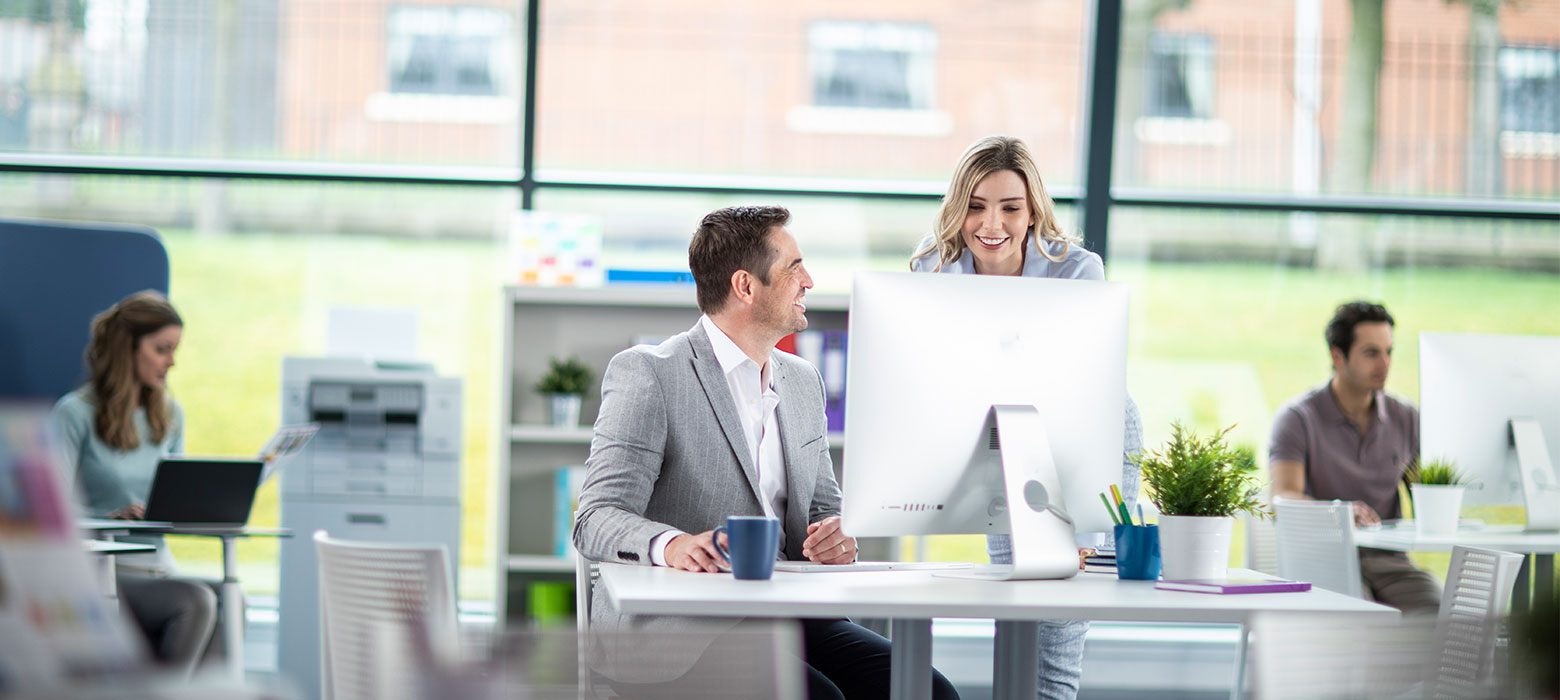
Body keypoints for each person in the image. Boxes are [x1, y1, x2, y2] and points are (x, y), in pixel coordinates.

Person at [574, 205, 960, 700]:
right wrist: (672, 545)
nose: (810, 281)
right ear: (745, 286)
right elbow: (597, 516)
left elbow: (824, 506)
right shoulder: (652, 374)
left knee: (926, 691)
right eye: (795, 267)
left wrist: (838, 534)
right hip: (681, 630)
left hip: (788, 612)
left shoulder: (802, 381)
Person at [910, 135, 1145, 700]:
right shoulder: (932, 266)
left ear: (1033, 211)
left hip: (1075, 445)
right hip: (989, 440)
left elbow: (1079, 384)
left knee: (1056, 636)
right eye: (975, 205)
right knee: (1017, 620)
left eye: (1010, 207)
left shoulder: (1076, 270)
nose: (992, 223)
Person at [49, 290, 219, 673]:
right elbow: (50, 517)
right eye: (162, 349)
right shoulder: (74, 414)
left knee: (232, 600)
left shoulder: (171, 415)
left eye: (175, 350)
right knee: (197, 601)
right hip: (104, 574)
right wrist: (109, 517)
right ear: (129, 348)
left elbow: (179, 494)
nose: (171, 362)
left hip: (161, 568)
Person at [1268, 301, 1441, 614]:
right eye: (1371, 353)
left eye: (1389, 351)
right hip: (1323, 558)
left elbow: (1426, 495)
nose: (1385, 363)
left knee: (1444, 614)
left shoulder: (1406, 418)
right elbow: (1283, 494)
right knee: (1362, 618)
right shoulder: (1297, 418)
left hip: (1388, 560)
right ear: (1337, 356)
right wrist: (1339, 513)